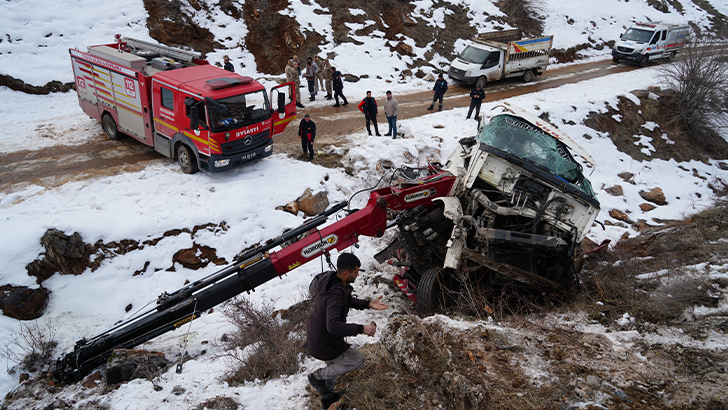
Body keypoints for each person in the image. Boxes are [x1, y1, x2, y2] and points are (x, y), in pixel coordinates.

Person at [306, 253, 389, 409]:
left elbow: (348, 300)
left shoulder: (333, 281)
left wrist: (368, 304)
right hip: (324, 343)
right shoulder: (335, 293)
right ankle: (317, 378)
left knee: (335, 366)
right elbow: (333, 326)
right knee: (357, 359)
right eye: (355, 272)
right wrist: (361, 328)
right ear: (345, 273)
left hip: (319, 339)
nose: (358, 275)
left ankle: (329, 399)